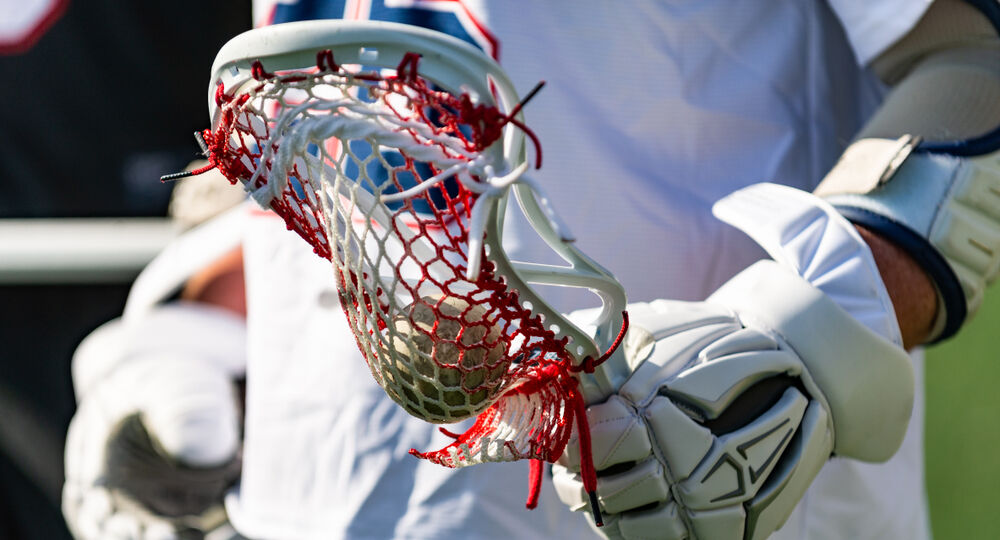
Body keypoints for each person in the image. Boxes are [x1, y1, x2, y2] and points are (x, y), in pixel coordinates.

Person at [62, 0, 1000, 538]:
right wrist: (207, 331)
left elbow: (976, 56)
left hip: (681, 501)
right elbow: (347, 101)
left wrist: (805, 342)